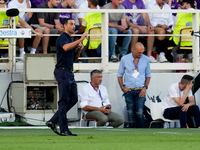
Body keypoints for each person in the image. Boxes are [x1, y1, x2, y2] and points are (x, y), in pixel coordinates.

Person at [46, 18, 87, 136]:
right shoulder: (62, 38)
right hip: (62, 71)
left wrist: (78, 50)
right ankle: (64, 129)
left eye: (74, 24)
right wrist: (80, 39)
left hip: (69, 71)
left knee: (73, 99)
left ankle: (53, 121)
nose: (73, 26)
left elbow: (74, 58)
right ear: (64, 26)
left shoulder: (70, 39)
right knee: (64, 101)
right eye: (71, 24)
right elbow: (65, 48)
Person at [117, 42, 151, 128]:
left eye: (142, 52)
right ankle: (132, 132)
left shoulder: (146, 59)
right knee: (130, 112)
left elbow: (148, 75)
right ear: (133, 50)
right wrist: (122, 88)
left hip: (141, 89)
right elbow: (119, 75)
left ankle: (142, 131)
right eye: (139, 52)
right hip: (128, 89)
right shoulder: (124, 59)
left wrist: (145, 88)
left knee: (140, 112)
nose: (141, 54)